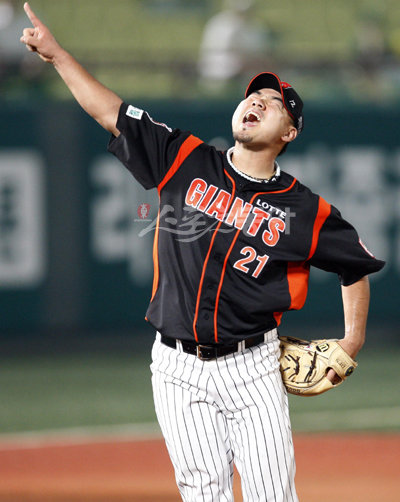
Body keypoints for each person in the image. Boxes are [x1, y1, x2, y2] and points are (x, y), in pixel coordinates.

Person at [20, 3, 385, 501]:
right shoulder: (185, 158)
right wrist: (57, 55)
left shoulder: (303, 208)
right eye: (252, 95)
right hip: (177, 368)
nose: (256, 101)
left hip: (253, 367)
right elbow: (111, 113)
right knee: (203, 493)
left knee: (272, 494)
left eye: (272, 102)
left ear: (289, 133)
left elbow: (354, 266)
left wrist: (352, 340)